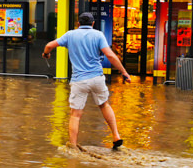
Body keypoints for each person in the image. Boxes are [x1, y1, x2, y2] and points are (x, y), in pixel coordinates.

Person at [43, 11, 131, 151]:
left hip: (79, 81)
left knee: (75, 114)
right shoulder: (98, 35)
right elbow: (110, 55)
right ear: (93, 23)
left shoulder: (70, 35)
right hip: (97, 78)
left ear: (78, 23)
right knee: (104, 105)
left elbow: (49, 46)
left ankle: (73, 146)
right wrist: (124, 72)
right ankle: (116, 136)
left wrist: (46, 54)